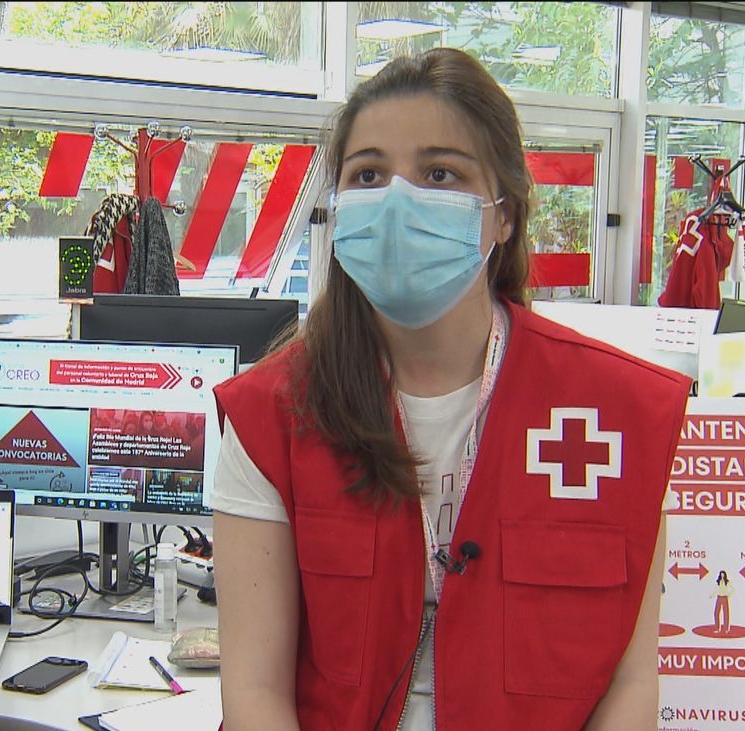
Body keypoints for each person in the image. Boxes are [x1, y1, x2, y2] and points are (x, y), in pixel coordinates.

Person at [211, 48, 691, 731]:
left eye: (440, 173)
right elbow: (256, 694)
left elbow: (632, 681)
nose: (398, 200)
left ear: (504, 214)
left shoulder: (623, 413)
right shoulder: (271, 414)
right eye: (369, 174)